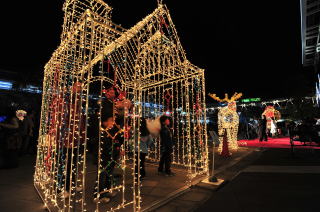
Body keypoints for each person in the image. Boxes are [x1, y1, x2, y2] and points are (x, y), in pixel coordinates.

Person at [94, 116, 124, 203]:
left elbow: (117, 141)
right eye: (111, 120)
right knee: (101, 176)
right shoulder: (102, 133)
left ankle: (106, 191)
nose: (113, 122)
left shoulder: (111, 131)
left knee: (108, 175)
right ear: (104, 122)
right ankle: (98, 195)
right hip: (103, 158)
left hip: (111, 158)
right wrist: (117, 151)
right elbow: (106, 147)